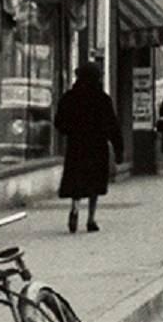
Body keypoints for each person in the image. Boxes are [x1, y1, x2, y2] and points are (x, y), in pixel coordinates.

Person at [53, 60, 123, 234]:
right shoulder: (102, 99)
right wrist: (118, 148)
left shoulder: (69, 97)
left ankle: (75, 207)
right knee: (95, 182)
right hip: (97, 146)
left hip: (76, 145)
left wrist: (69, 131)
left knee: (77, 180)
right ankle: (91, 218)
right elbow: (113, 125)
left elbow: (59, 122)